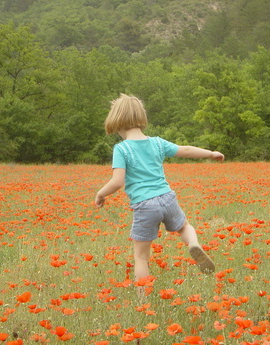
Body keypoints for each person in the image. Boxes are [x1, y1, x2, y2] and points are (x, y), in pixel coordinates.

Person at [95, 94, 224, 295]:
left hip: (145, 205)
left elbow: (117, 182)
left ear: (117, 122)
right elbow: (186, 150)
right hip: (167, 197)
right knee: (184, 227)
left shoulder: (122, 149)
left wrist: (101, 193)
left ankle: (143, 299)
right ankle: (193, 243)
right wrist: (210, 153)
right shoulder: (157, 143)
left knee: (141, 257)